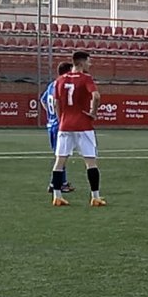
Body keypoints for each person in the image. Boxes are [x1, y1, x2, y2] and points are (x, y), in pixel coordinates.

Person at [49, 51, 105, 207]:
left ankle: (57, 196)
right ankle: (95, 197)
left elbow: (56, 102)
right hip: (83, 125)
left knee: (60, 161)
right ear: (81, 63)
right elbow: (96, 96)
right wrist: (93, 113)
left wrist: (62, 120)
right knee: (90, 161)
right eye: (88, 62)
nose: (90, 64)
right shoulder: (86, 78)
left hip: (65, 125)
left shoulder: (60, 80)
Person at [41, 61, 74, 193]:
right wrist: (61, 119)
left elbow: (43, 100)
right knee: (62, 154)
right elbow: (56, 103)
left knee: (60, 154)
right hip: (58, 125)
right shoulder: (61, 86)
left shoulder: (51, 85)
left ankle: (60, 182)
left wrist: (50, 115)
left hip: (51, 124)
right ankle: (58, 183)